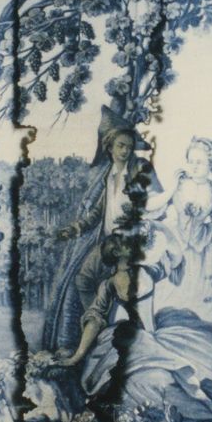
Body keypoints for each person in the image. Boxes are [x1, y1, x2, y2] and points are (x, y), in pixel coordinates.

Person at [57, 230, 212, 422]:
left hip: (156, 332)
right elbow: (95, 317)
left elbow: (173, 260)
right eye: (126, 243)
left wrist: (163, 231)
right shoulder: (111, 284)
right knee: (167, 374)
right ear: (118, 253)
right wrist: (78, 355)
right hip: (136, 337)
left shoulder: (144, 271)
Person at [41, 105, 161, 353]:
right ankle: (98, 326)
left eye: (128, 146)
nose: (125, 151)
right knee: (83, 279)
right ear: (109, 147)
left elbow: (157, 201)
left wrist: (139, 215)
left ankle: (119, 332)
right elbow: (98, 212)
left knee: (120, 288)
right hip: (108, 243)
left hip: (130, 243)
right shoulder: (109, 174)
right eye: (120, 146)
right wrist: (76, 228)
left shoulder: (139, 168)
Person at [148, 137, 212, 325]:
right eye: (191, 161)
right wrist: (171, 189)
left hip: (202, 245)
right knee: (169, 290)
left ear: (211, 164)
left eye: (199, 162)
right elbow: (154, 205)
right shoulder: (180, 184)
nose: (193, 166)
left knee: (199, 296)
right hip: (177, 241)